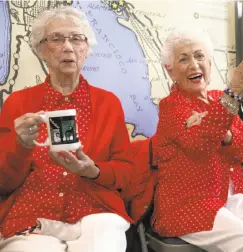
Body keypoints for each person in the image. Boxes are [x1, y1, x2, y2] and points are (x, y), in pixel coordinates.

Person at [0, 6, 144, 252]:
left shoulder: (108, 103)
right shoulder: (18, 104)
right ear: (41, 50)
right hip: (33, 212)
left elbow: (126, 172)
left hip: (96, 209)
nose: (68, 47)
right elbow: (3, 183)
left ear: (86, 50)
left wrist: (93, 171)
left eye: (77, 38)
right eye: (57, 39)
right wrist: (21, 147)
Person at [152, 29, 243, 252]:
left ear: (209, 61)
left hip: (231, 196)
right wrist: (235, 90)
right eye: (183, 59)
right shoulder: (171, 106)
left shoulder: (219, 99)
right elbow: (200, 146)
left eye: (199, 56)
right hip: (188, 204)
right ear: (170, 70)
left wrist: (226, 135)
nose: (194, 65)